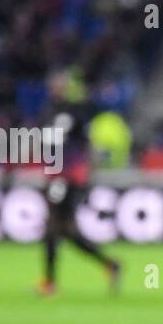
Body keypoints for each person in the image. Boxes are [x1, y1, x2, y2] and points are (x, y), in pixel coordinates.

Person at [36, 110, 121, 297]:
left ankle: (49, 283)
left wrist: (83, 178)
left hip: (67, 180)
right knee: (66, 232)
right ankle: (110, 264)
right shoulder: (55, 115)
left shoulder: (73, 120)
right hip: (62, 179)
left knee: (53, 229)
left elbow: (87, 149)